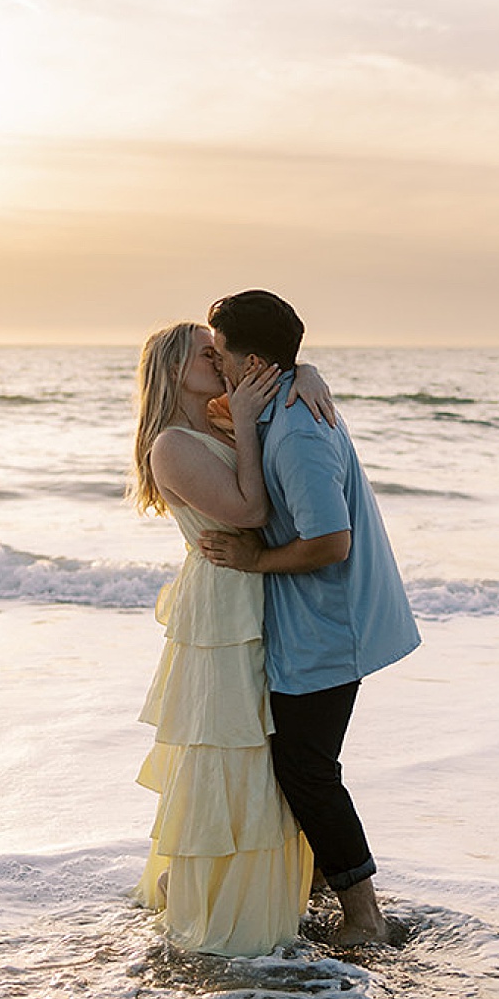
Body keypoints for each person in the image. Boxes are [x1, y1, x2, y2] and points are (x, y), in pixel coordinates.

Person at [197, 290, 420, 947]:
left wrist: (250, 558)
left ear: (255, 360)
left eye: (221, 356)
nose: (216, 365)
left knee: (306, 768)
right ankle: (322, 891)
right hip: (316, 619)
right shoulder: (284, 397)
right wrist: (302, 371)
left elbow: (332, 541)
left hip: (331, 620)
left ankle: (364, 918)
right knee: (297, 762)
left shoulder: (296, 432)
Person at [129, 322, 334, 956]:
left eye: (219, 349)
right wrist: (244, 419)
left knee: (272, 751)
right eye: (204, 353)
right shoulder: (171, 445)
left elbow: (280, 403)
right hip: (221, 605)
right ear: (171, 371)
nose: (218, 359)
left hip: (260, 593)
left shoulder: (220, 422)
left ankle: (287, 885)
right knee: (232, 749)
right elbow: (249, 512)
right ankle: (220, 897)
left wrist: (306, 374)